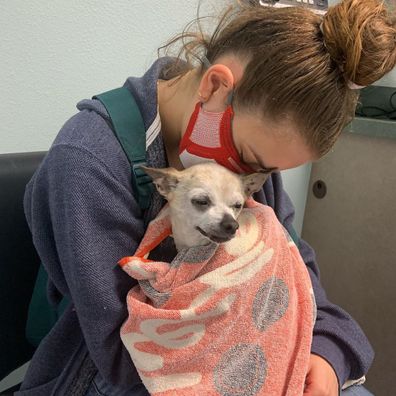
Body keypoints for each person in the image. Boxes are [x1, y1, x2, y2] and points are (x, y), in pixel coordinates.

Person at [18, 0, 396, 395]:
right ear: (215, 86)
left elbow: (298, 282)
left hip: (245, 349)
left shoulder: (246, 175)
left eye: (267, 173)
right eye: (252, 161)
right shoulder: (89, 161)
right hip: (126, 370)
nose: (253, 183)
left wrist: (325, 355)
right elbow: (124, 353)